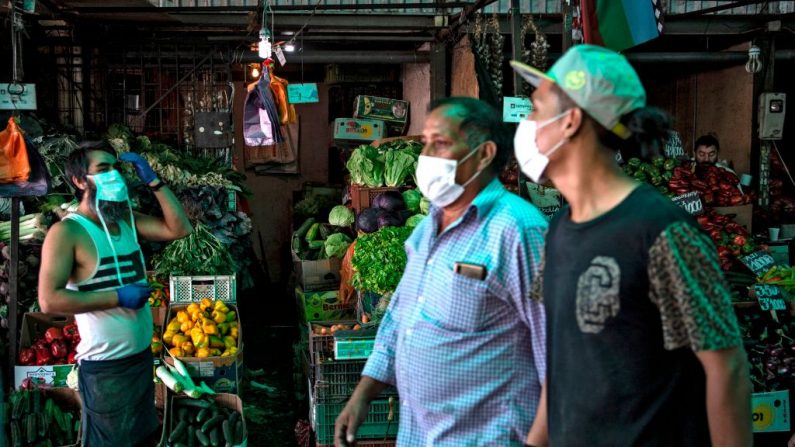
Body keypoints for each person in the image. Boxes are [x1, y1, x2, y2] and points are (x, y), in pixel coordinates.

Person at [510, 45, 752, 447]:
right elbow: (565, 361)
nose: (528, 122)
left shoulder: (663, 232)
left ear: (570, 121)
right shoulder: (559, 231)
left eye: (536, 108)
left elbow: (726, 369)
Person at [334, 97, 548, 446]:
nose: (427, 155)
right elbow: (399, 317)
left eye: (442, 143)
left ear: (484, 153)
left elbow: (559, 353)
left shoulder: (519, 230)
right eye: (426, 143)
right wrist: (363, 394)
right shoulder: (427, 228)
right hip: (420, 435)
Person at [38, 141, 193, 446]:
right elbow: (49, 300)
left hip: (140, 360)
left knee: (145, 438)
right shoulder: (67, 232)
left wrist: (155, 182)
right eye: (104, 169)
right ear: (80, 181)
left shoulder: (126, 221)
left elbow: (179, 229)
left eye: (117, 168)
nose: (115, 176)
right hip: (106, 368)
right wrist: (118, 298)